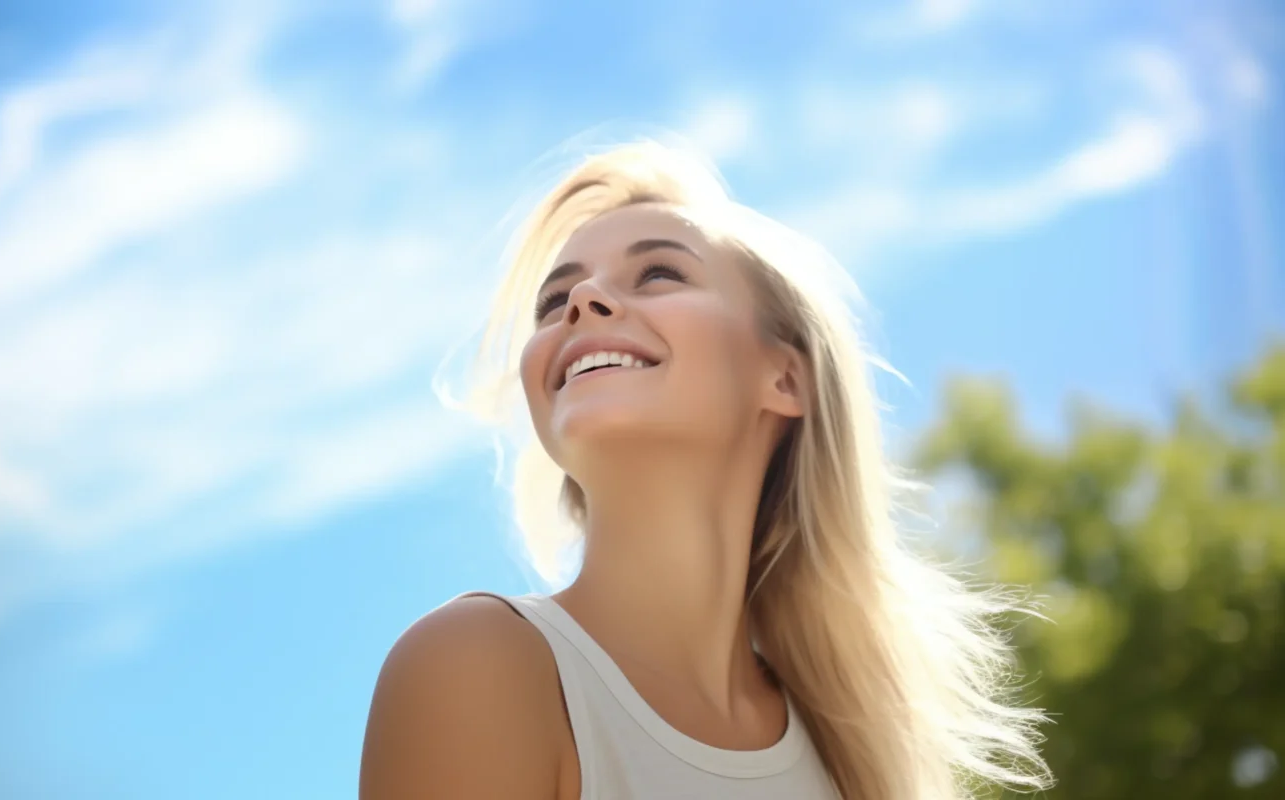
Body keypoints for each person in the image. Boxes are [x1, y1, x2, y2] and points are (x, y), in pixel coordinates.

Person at [359, 141, 1052, 799]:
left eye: (659, 273)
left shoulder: (850, 755)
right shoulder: (477, 665)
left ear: (785, 377)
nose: (581, 302)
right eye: (553, 301)